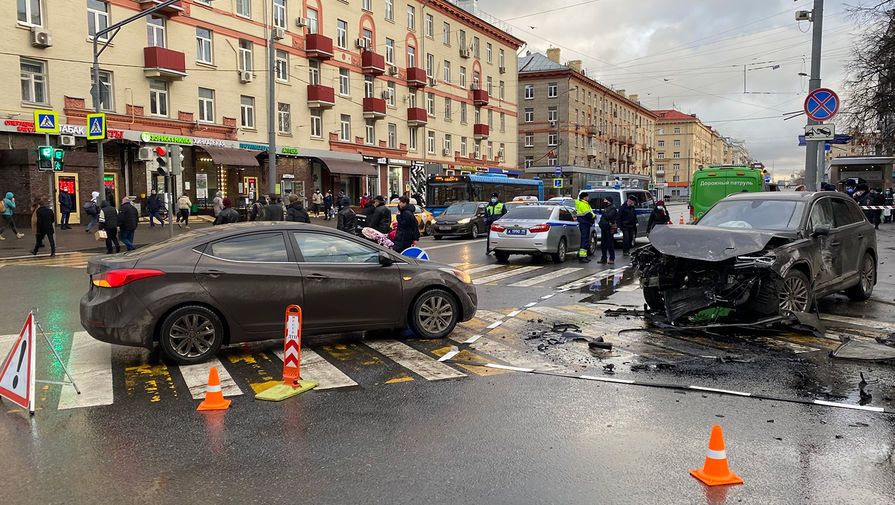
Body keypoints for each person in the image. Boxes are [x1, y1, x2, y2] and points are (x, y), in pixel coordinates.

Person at [574, 193, 596, 263]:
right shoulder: (583, 204)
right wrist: (594, 216)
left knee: (585, 239)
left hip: (585, 223)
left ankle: (583, 256)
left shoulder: (584, 204)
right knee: (585, 240)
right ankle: (582, 257)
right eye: (587, 197)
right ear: (584, 197)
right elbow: (588, 214)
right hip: (584, 223)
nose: (588, 198)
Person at [598, 197, 619, 265]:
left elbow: (609, 216)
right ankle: (603, 258)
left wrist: (603, 213)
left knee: (610, 243)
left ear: (609, 201)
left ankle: (612, 258)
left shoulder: (613, 208)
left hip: (609, 228)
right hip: (604, 227)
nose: (604, 201)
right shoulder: (606, 207)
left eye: (605, 200)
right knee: (603, 244)